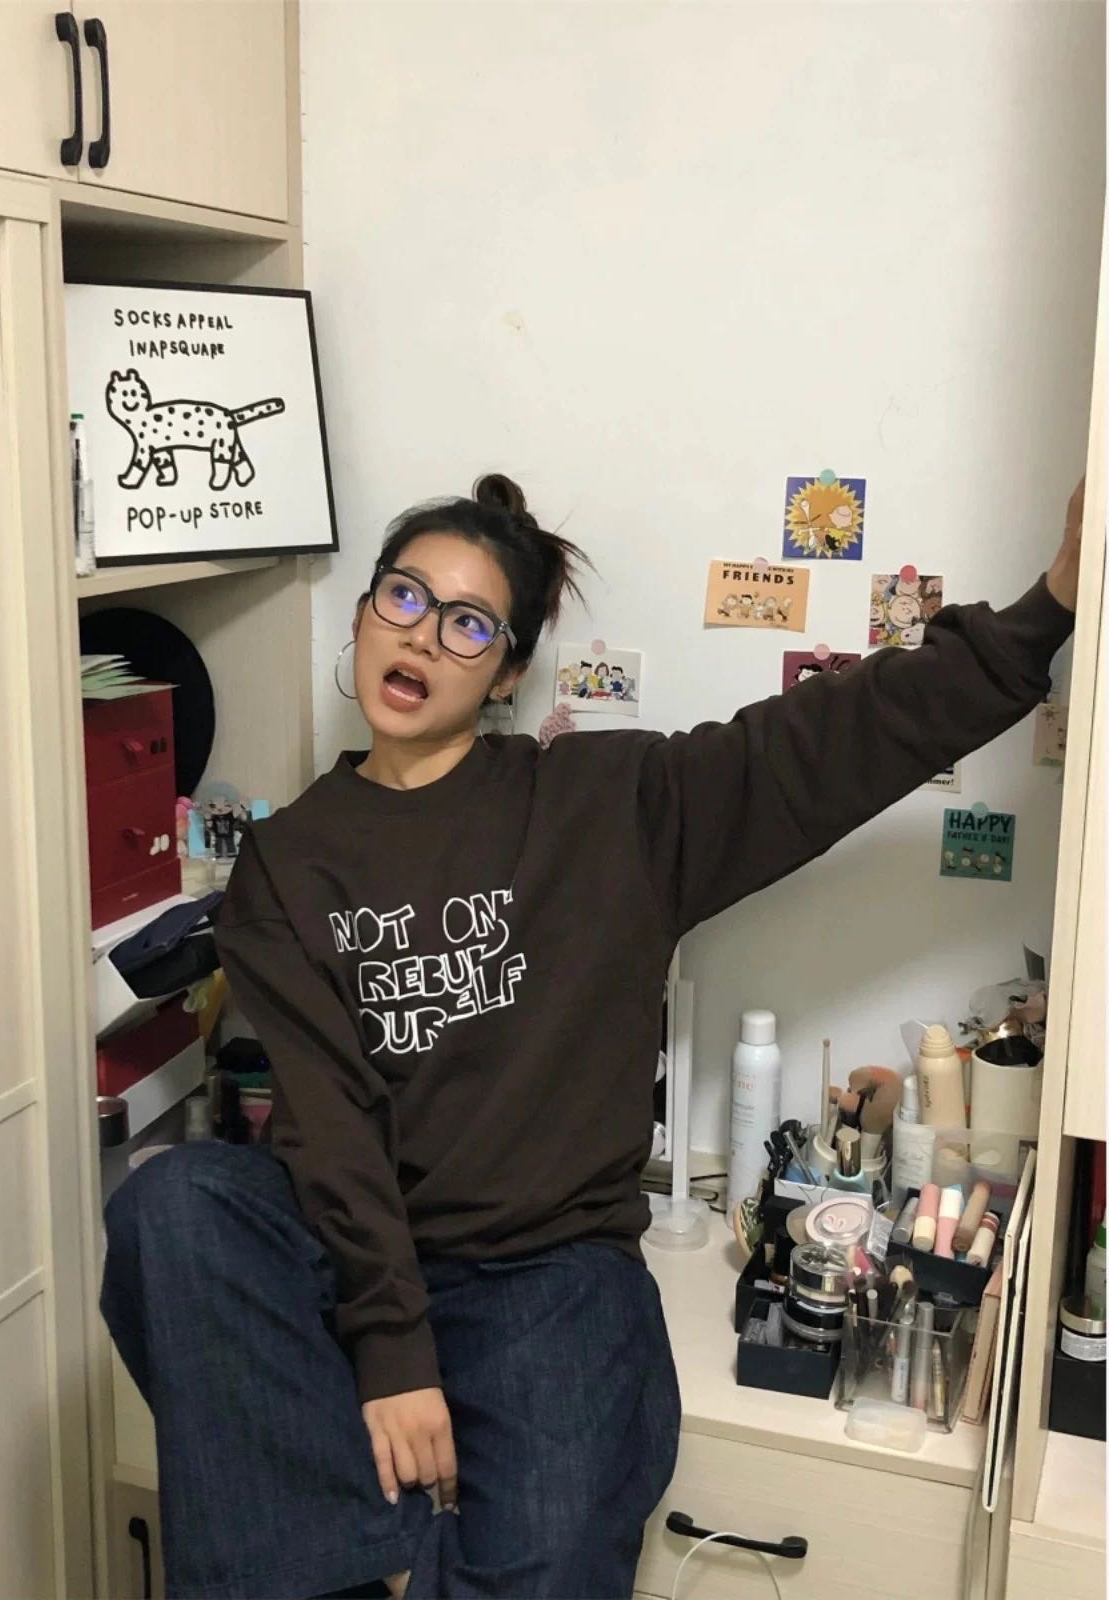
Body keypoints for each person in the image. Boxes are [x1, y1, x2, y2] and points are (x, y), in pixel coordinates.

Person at [101, 472, 1083, 1600]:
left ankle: (378, 1556)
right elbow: (331, 1120)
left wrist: (1049, 606)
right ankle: (365, 1564)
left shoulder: (607, 805)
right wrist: (392, 1352)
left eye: (468, 622)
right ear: (366, 611)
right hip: (349, 1239)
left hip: (545, 1267)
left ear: (506, 671)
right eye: (404, 596)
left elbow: (830, 740)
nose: (420, 634)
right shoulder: (287, 861)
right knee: (171, 1205)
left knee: (552, 1553)